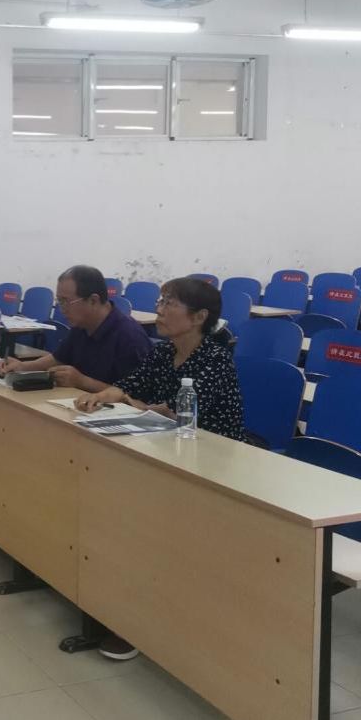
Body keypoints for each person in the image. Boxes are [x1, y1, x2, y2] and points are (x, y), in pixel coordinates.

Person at [74, 276, 245, 660]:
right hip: (168, 452)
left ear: (199, 317)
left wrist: (138, 404)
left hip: (211, 465)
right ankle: (111, 595)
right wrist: (103, 395)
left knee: (141, 522)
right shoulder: (165, 351)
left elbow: (172, 413)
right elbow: (130, 386)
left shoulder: (215, 359)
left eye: (170, 304)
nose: (160, 310)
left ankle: (141, 617)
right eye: (161, 301)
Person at [0, 265, 151, 391]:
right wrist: (23, 367)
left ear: (93, 300)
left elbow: (134, 398)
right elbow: (58, 358)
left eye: (66, 301)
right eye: (59, 301)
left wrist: (82, 382)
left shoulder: (129, 337)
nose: (61, 309)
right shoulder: (82, 324)